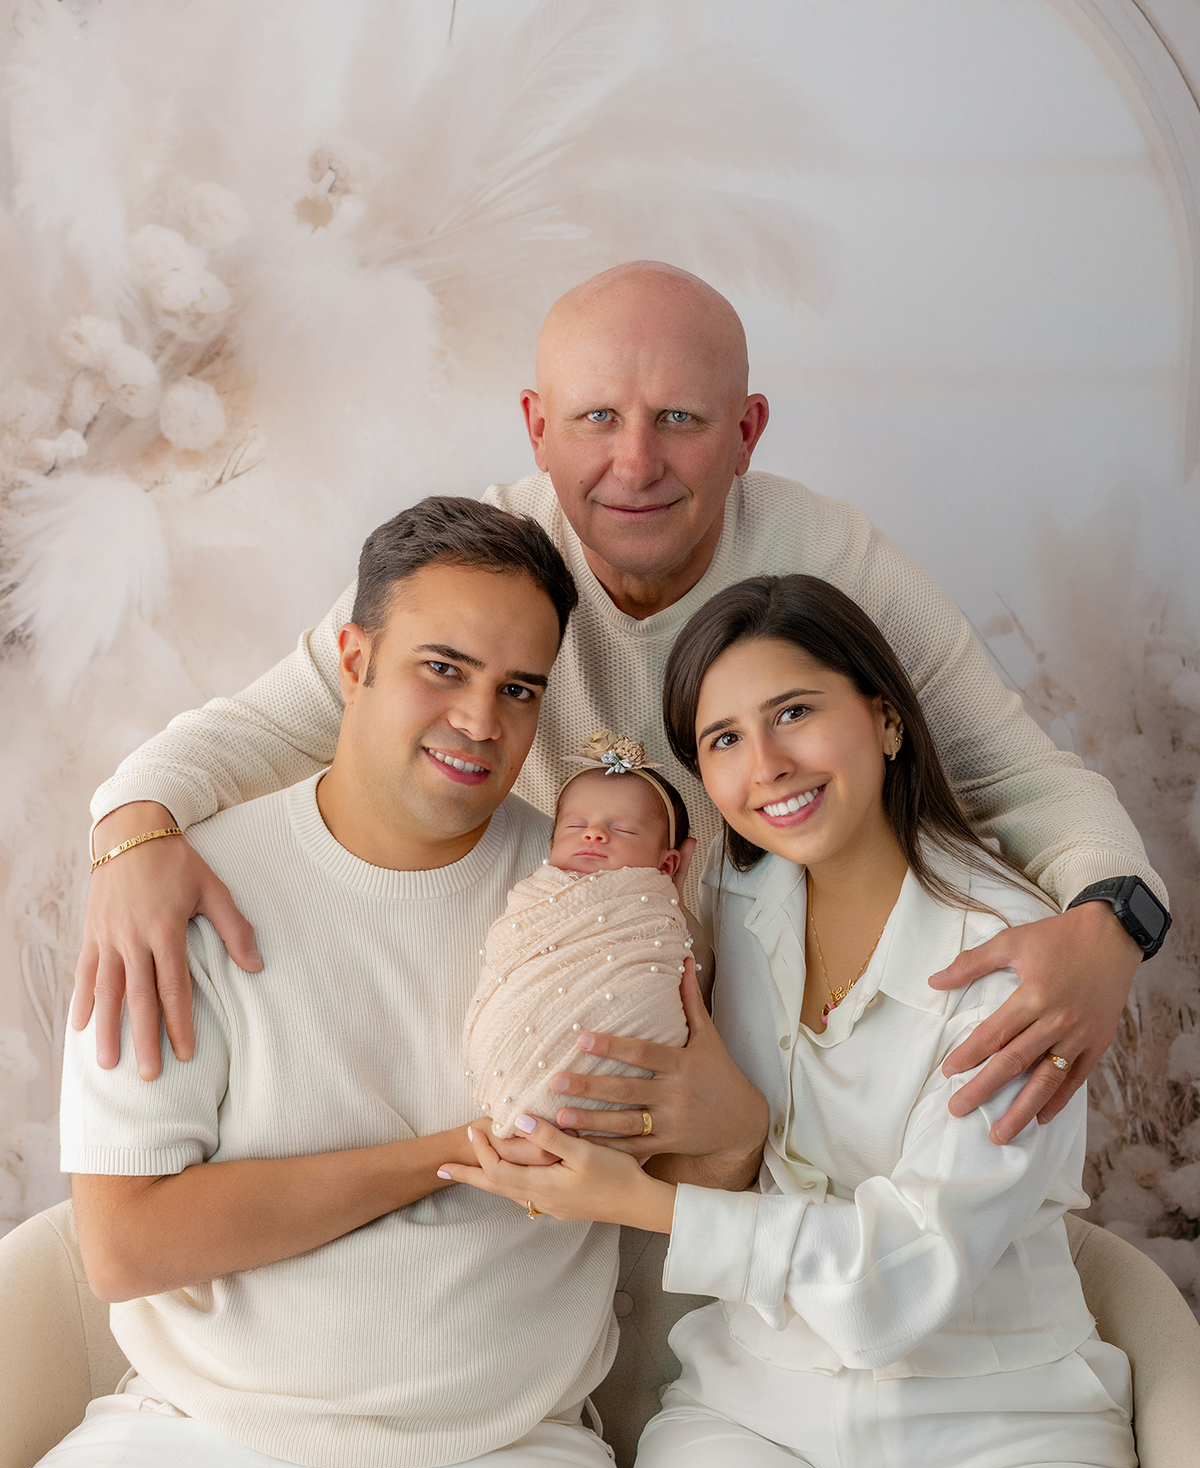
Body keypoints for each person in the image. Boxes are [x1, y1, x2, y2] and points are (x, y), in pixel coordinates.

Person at [74, 264, 1169, 1148]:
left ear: (748, 431)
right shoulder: (485, 570)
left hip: (773, 1034)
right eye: (596, 416)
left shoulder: (831, 560)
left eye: (680, 418)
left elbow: (1018, 775)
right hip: (548, 1015)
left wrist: (1112, 928)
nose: (633, 462)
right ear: (536, 427)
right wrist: (129, 835)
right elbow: (258, 728)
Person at [0, 497, 682, 1468]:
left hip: (488, 1462)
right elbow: (129, 1244)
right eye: (442, 669)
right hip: (197, 1442)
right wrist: (445, 1153)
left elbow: (691, 1162)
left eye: (519, 688)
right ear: (353, 661)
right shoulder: (181, 892)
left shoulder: (594, 906)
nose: (483, 723)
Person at [438, 573, 1151, 1468]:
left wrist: (648, 1202)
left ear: (882, 715)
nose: (765, 764)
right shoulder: (717, 905)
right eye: (723, 739)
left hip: (1000, 1440)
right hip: (754, 1421)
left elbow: (906, 1281)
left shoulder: (1008, 965)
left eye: (795, 713)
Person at [464, 733, 696, 1140]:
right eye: (576, 825)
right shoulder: (535, 894)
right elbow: (507, 953)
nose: (594, 835)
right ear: (552, 845)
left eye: (622, 830)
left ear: (668, 864)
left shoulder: (653, 912)